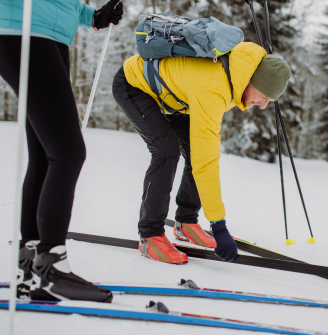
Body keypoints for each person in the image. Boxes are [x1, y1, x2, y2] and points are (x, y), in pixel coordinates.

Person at [0, 0, 125, 302]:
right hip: (20, 33)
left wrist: (94, 17)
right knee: (68, 153)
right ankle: (52, 267)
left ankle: (31, 257)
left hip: (54, 41)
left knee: (45, 152)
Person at [113, 41, 291, 264]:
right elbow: (205, 160)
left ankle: (186, 221)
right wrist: (219, 225)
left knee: (193, 148)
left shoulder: (237, 75)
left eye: (269, 102)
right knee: (167, 151)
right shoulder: (215, 88)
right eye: (264, 97)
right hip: (135, 85)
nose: (263, 105)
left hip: (173, 96)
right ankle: (150, 235)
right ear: (254, 81)